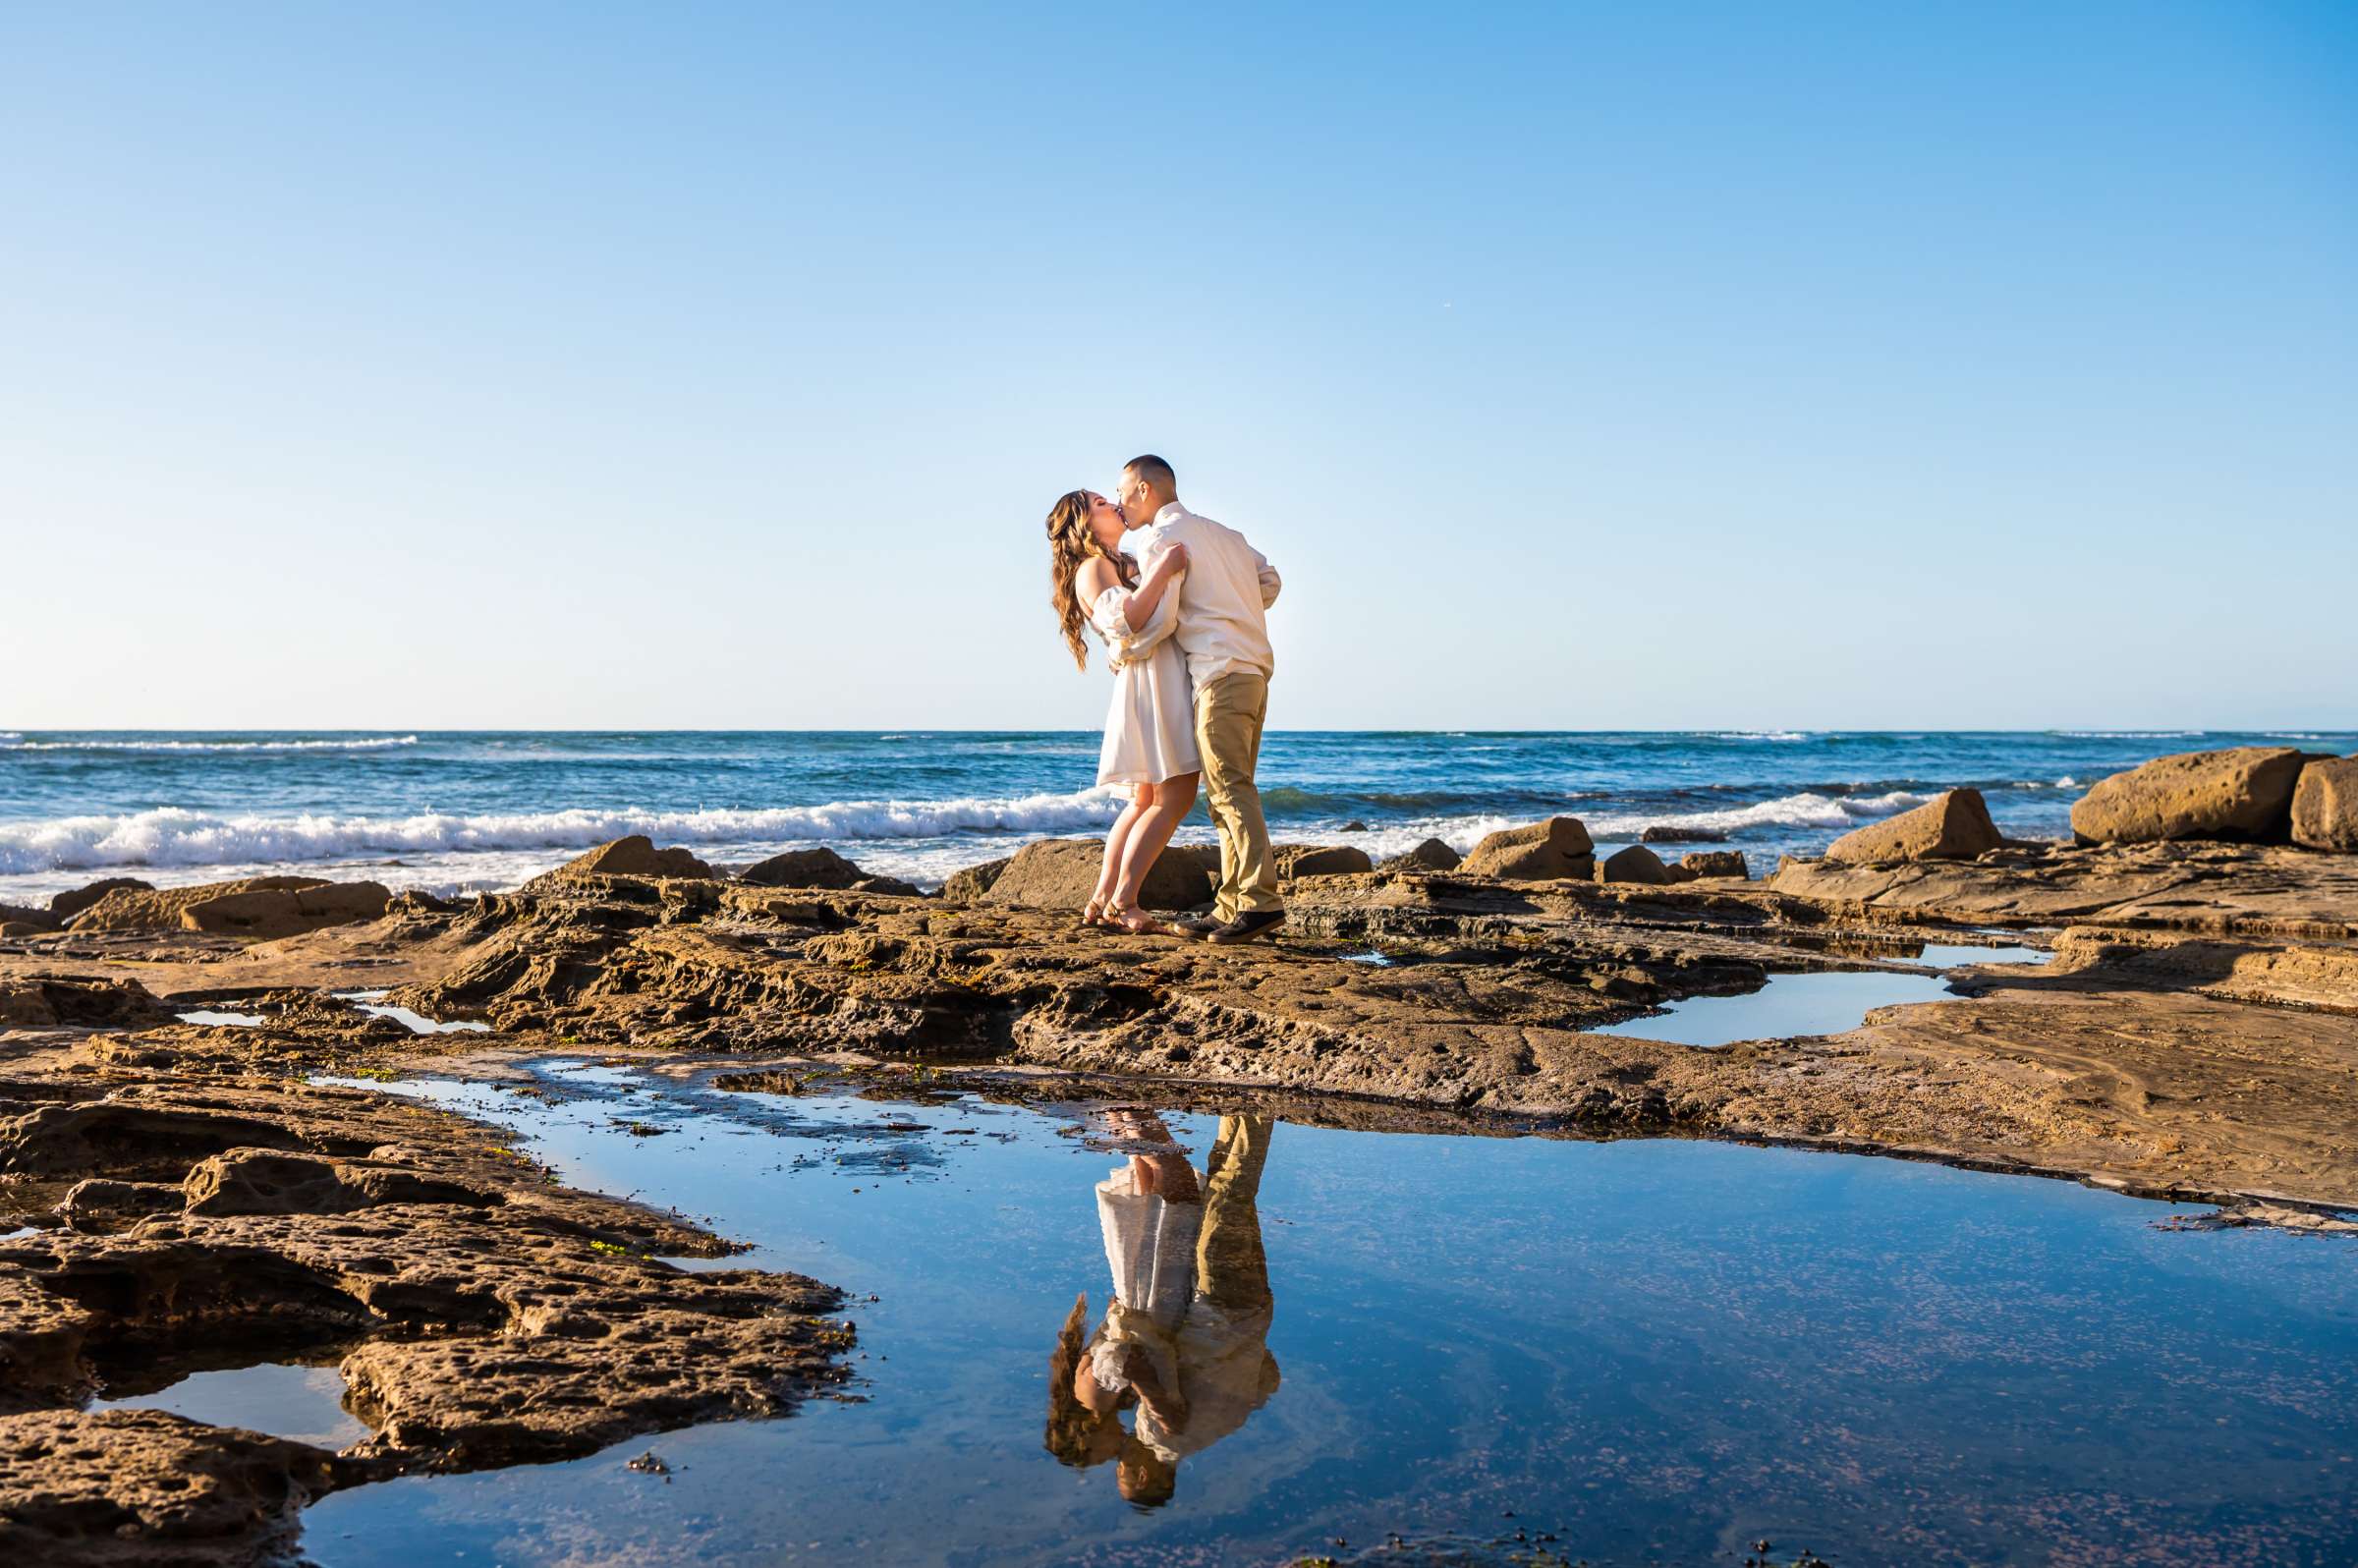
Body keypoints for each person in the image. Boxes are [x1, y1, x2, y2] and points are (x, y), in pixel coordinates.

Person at [1042, 1108, 1281, 1508]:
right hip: (1216, 1309)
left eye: (1109, 1464)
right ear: (1142, 1474)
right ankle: (1248, 1105)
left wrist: (1231, 1357)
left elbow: (1267, 1379)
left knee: (1220, 1197)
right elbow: (1163, 1401)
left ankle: (1240, 1105)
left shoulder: (1201, 1431)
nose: (1117, 1460)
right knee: (1220, 1197)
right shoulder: (1161, 1434)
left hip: (1240, 1311)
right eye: (1119, 1470)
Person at [1117, 456, 1285, 944]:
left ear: (1146, 490)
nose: (1122, 504)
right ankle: (1232, 902)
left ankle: (1259, 902)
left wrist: (1123, 648)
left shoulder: (1157, 540)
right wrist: (1237, 607)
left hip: (1217, 671)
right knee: (1229, 789)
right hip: (1254, 669)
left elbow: (1163, 618)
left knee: (1229, 789)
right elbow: (1270, 581)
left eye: (1125, 493)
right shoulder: (1226, 534)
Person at [1044, 489, 1202, 934]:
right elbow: (1127, 619)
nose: (1110, 503)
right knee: (1175, 796)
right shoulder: (1093, 568)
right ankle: (1124, 901)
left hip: (1150, 676)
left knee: (1146, 800)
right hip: (1152, 681)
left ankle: (1103, 898)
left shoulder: (1118, 562)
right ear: (1083, 524)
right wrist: (1166, 569)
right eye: (1097, 503)